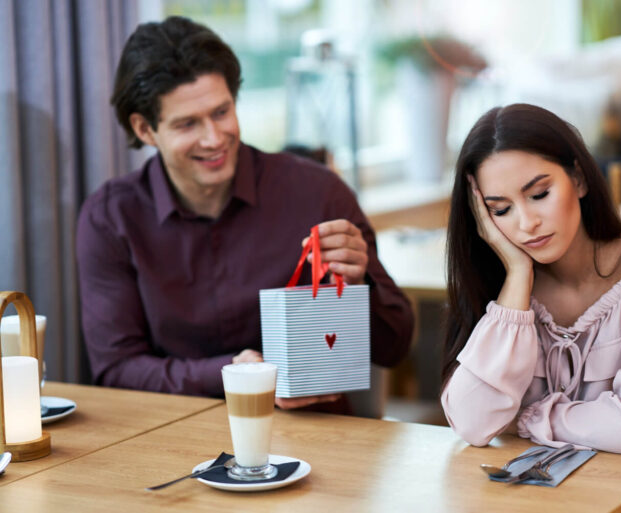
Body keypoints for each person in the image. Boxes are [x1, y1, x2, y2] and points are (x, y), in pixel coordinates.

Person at [76, 16, 414, 411]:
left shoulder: (319, 194)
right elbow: (117, 370)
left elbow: (396, 348)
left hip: (317, 440)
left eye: (221, 112)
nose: (213, 138)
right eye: (188, 124)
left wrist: (360, 284)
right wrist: (233, 375)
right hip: (174, 441)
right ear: (146, 129)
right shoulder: (112, 217)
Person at [440, 104, 621, 455]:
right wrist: (517, 276)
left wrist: (525, 420)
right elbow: (473, 424)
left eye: (539, 194)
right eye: (501, 210)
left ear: (578, 178)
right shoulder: (497, 283)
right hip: (529, 496)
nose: (526, 222)